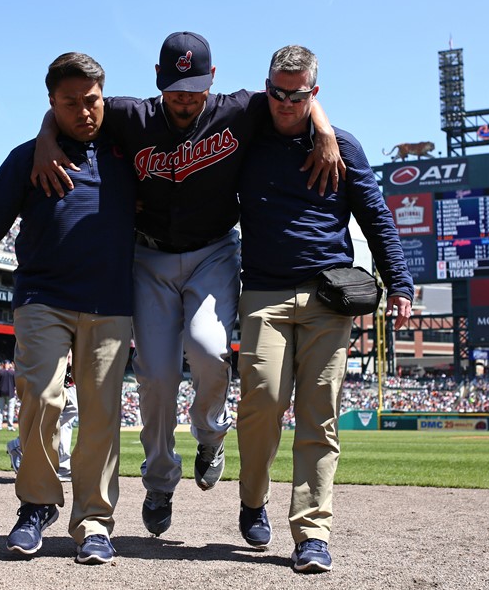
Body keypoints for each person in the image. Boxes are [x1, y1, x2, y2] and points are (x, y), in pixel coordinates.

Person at [30, 31, 346, 538]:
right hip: (149, 253)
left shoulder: (239, 109)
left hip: (214, 251)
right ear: (158, 81)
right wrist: (46, 137)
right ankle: (159, 479)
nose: (185, 97)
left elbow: (299, 95)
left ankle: (211, 437)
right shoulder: (132, 116)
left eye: (195, 86)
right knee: (155, 373)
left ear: (213, 80)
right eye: (176, 87)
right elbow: (73, 105)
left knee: (207, 348)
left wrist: (325, 130)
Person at [0, 51, 135, 565]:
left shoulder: (131, 150)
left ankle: (95, 523)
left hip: (110, 304)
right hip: (43, 298)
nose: (85, 112)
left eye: (92, 101)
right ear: (50, 104)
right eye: (70, 104)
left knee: (102, 418)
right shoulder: (27, 158)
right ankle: (37, 505)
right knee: (40, 397)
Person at [233, 45, 415, 574]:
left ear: (315, 93)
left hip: (326, 296)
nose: (285, 103)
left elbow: (378, 219)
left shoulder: (346, 147)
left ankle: (312, 533)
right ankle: (252, 500)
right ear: (265, 86)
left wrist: (399, 282)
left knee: (320, 417)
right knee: (261, 403)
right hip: (263, 292)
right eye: (276, 92)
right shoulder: (246, 132)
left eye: (298, 95)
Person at [7, 351, 79, 482]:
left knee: (67, 410)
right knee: (66, 406)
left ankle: (62, 465)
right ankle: (22, 443)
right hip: (57, 350)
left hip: (73, 350)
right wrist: (68, 349)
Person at [0, 361, 18, 431]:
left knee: (0, 410)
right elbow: (16, 383)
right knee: (10, 410)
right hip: (10, 393)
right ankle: (10, 426)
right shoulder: (12, 372)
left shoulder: (0, 372)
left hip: (1, 393)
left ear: (3, 365)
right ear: (8, 365)